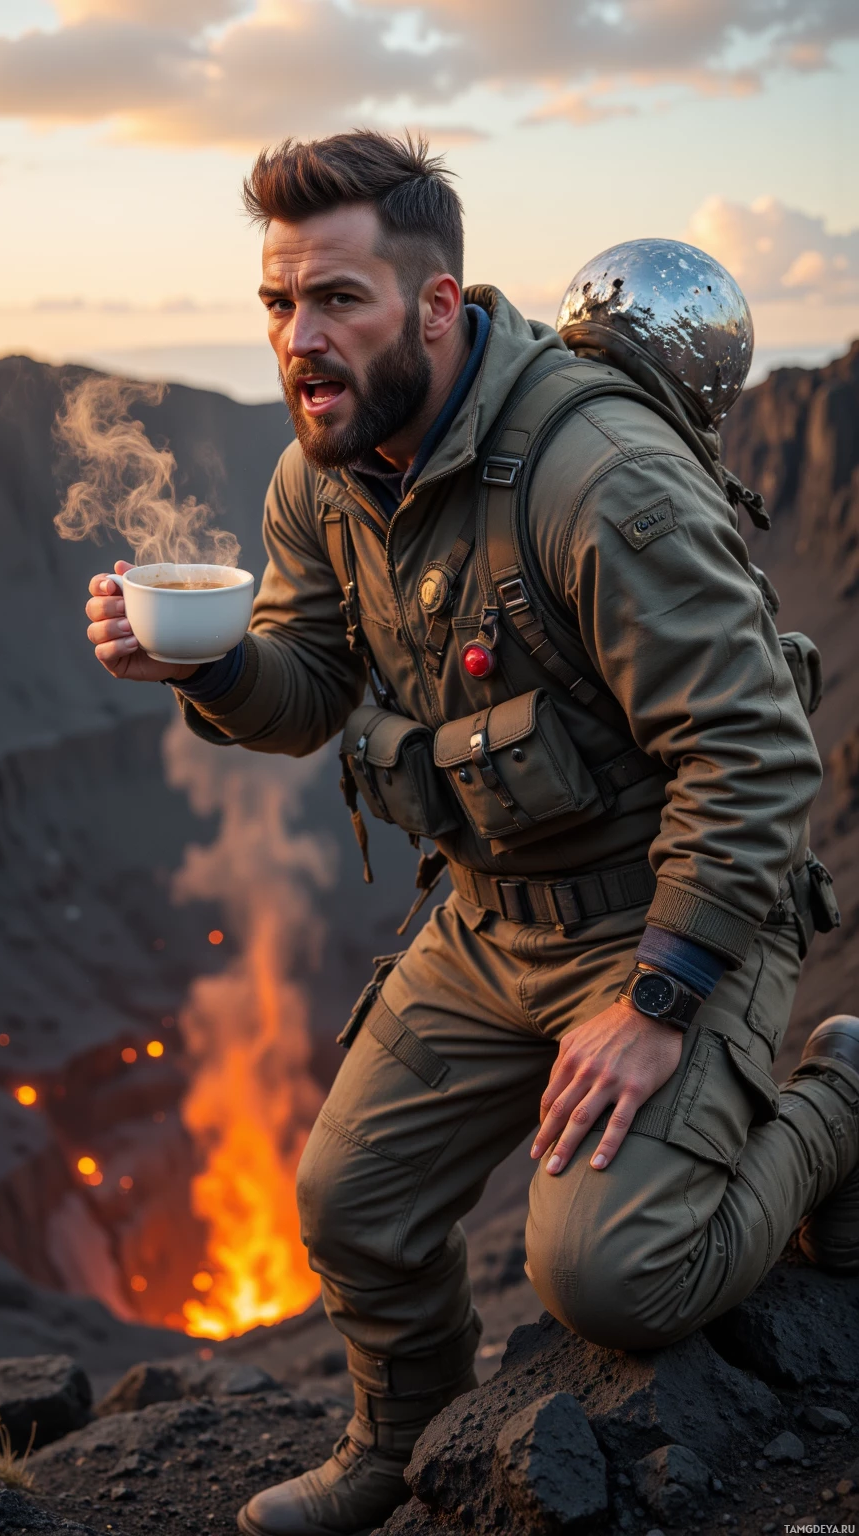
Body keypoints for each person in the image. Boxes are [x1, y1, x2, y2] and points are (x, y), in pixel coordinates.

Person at [83, 131, 859, 1536]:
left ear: (437, 308)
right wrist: (195, 666)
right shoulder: (321, 480)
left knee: (614, 1278)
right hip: (495, 920)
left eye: (338, 301)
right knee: (346, 1200)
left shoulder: (596, 481)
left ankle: (842, 1103)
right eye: (277, 305)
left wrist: (661, 999)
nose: (298, 341)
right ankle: (408, 1439)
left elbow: (752, 755)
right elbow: (308, 689)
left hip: (670, 917)